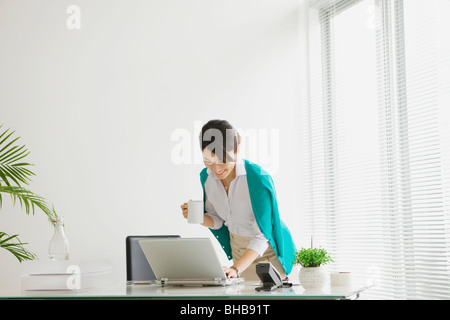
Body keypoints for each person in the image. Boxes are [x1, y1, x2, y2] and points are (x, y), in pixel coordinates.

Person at [180, 120, 297, 281]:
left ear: (237, 149)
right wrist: (198, 217)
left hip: (268, 254)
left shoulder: (258, 179)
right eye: (208, 160)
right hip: (238, 253)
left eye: (222, 159)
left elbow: (262, 235)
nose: (216, 169)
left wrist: (236, 268)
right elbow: (218, 220)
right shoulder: (206, 177)